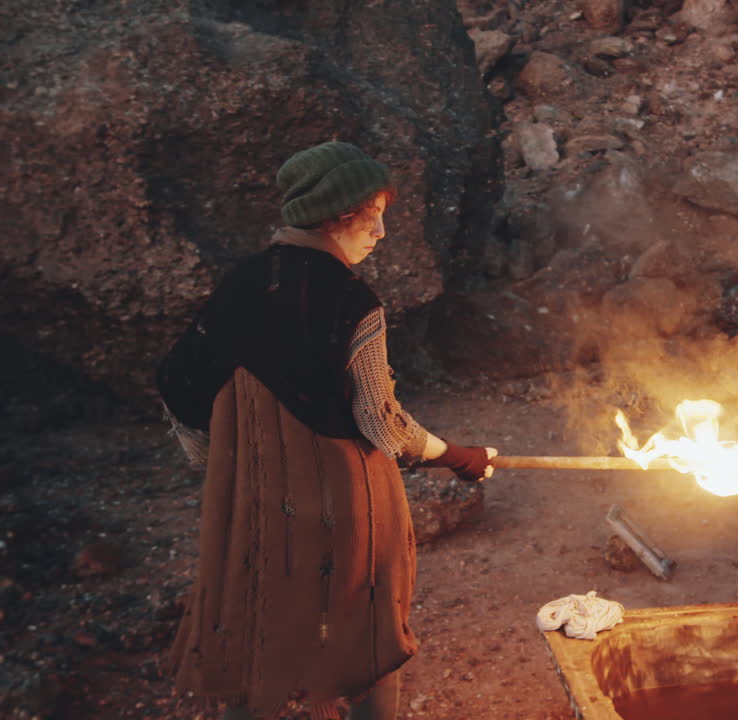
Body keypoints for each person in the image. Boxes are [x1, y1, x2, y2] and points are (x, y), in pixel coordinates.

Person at [156, 141, 497, 720]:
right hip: (347, 500)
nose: (382, 232)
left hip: (258, 501)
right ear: (339, 215)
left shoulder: (243, 281)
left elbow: (178, 382)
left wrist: (230, 457)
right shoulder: (352, 300)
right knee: (364, 629)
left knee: (253, 614)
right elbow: (382, 425)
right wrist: (457, 455)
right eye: (374, 216)